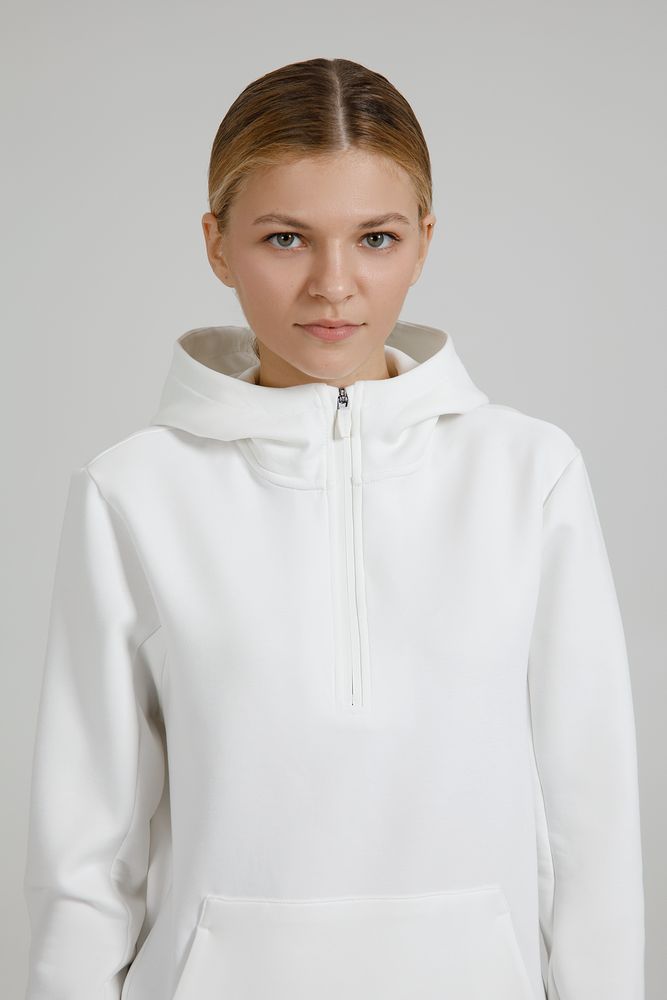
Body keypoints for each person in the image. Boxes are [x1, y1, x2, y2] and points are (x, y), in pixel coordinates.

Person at [23, 57, 645, 1000]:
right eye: (285, 238)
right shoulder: (134, 492)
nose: (333, 284)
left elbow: (587, 826)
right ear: (216, 244)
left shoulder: (529, 475)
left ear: (423, 242)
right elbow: (86, 857)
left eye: (375, 238)